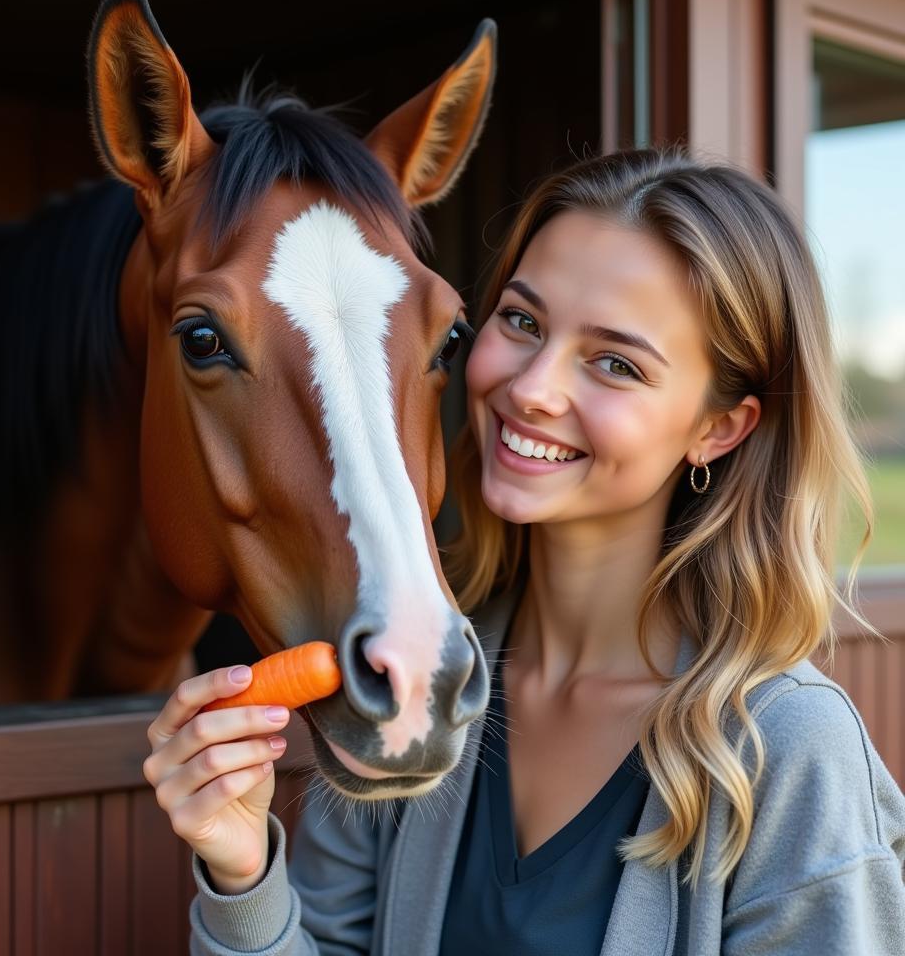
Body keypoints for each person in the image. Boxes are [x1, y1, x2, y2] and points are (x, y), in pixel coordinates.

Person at [143, 148, 905, 955]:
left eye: (615, 363)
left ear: (717, 428)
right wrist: (244, 871)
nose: (533, 386)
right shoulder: (418, 674)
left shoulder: (791, 749)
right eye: (522, 322)